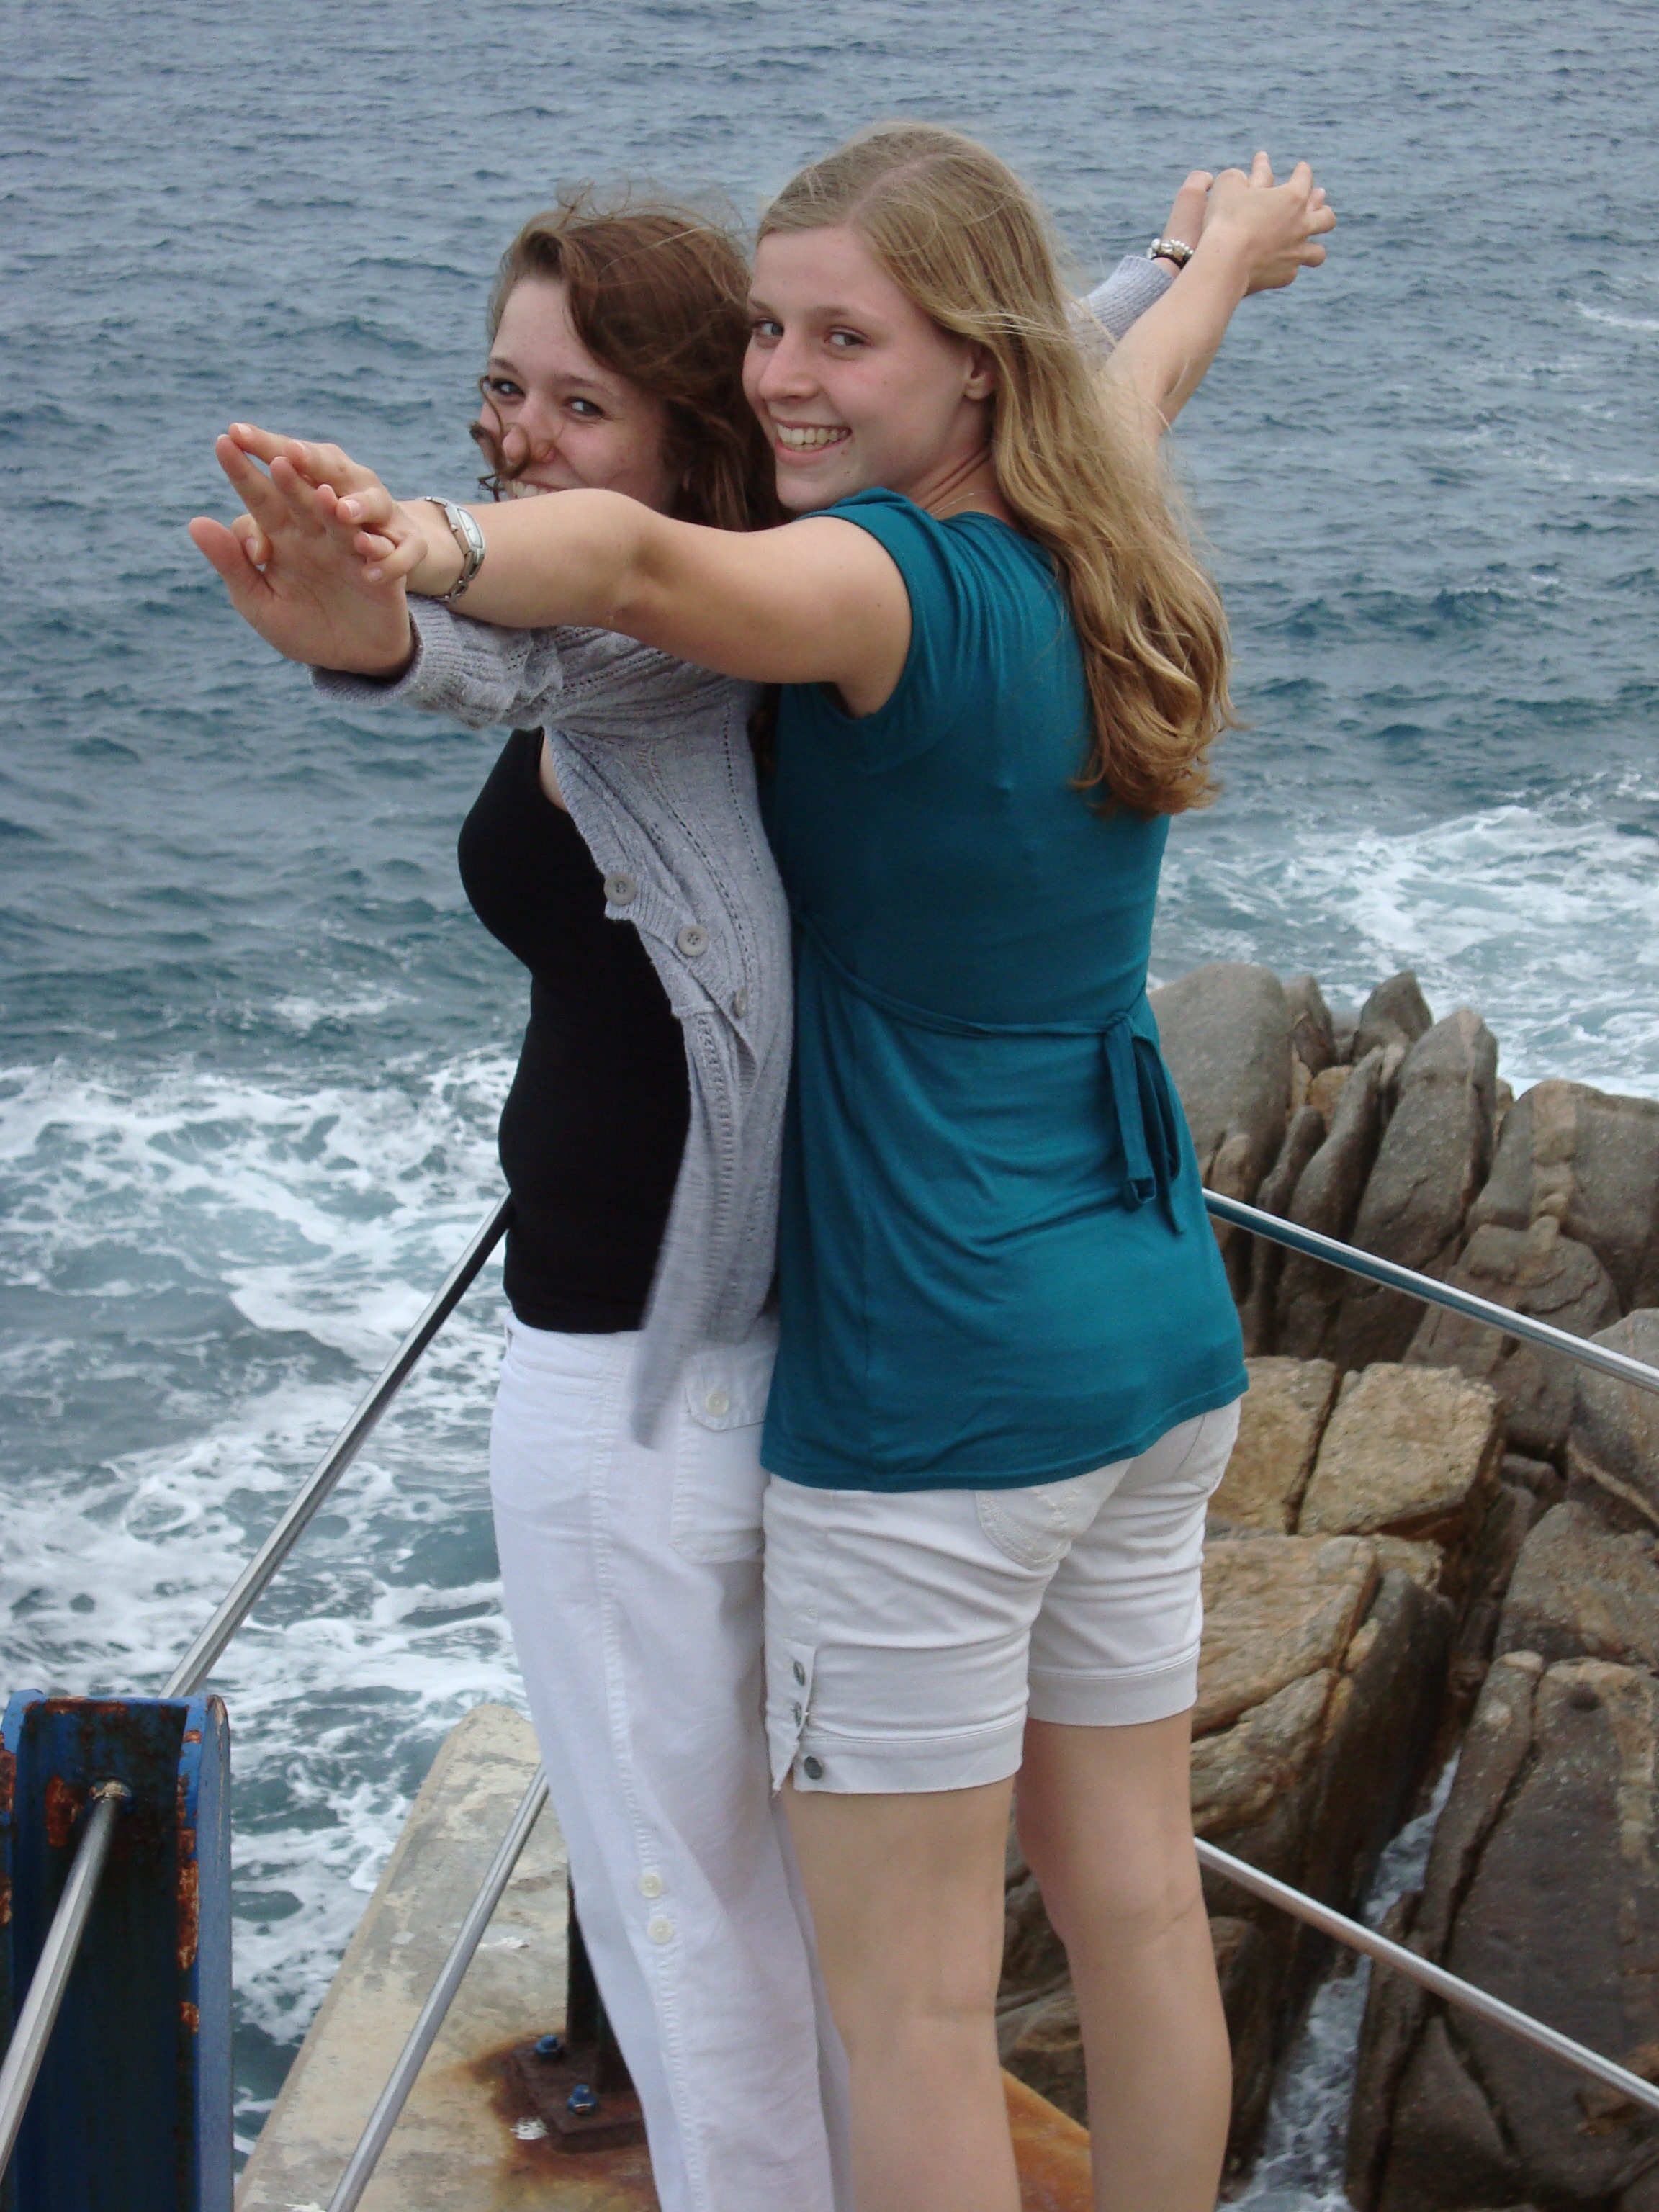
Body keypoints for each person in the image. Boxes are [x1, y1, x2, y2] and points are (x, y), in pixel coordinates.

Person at [218, 124, 1332, 2212]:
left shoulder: (877, 583)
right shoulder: (1092, 523)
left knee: (902, 2010)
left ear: (977, 359)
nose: (787, 377)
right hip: (1154, 1326)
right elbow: (1140, 365)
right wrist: (1217, 258)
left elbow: (635, 579)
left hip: (939, 1384)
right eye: (769, 331)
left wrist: (423, 545)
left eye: (842, 338)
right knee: (1135, 1908)